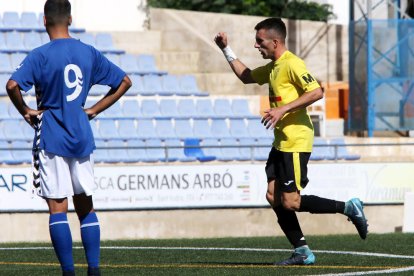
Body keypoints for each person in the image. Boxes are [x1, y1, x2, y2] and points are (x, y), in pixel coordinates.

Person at [214, 17, 368, 265]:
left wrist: (282, 109)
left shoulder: (292, 64)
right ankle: (302, 251)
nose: (256, 46)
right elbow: (246, 76)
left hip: (296, 141)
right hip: (281, 142)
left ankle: (349, 207)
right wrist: (225, 49)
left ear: (275, 42)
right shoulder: (275, 66)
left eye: (259, 41)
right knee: (273, 195)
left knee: (291, 201)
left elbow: (317, 91)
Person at [6, 0, 131, 275]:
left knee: (58, 208)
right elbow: (124, 81)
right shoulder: (88, 52)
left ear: (44, 21)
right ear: (71, 20)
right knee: (85, 205)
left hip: (51, 134)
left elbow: (13, 85)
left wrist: (26, 110)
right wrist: (94, 109)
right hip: (81, 134)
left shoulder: (40, 55)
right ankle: (95, 270)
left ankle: (68, 272)